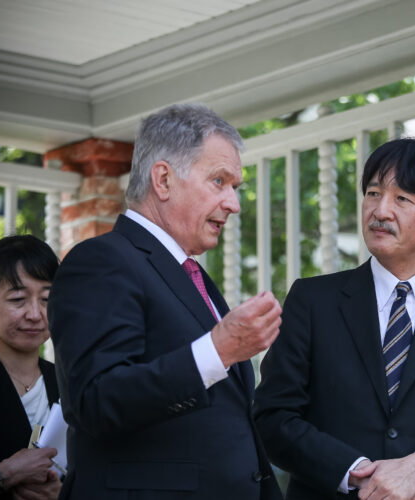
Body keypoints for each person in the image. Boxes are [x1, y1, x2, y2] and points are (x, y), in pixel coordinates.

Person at [48, 103, 283, 499]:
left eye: (235, 187)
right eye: (219, 181)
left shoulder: (192, 275)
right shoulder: (101, 260)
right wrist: (217, 350)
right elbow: (95, 402)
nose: (233, 203)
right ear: (163, 179)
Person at [254, 137, 415, 500]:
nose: (380, 210)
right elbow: (273, 417)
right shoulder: (312, 301)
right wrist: (356, 472)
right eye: (373, 193)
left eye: (402, 199)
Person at [0, 235, 61, 499]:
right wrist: (2, 474)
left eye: (46, 299)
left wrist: (61, 492)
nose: (34, 314)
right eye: (18, 299)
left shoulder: (66, 383)